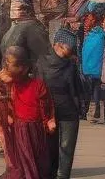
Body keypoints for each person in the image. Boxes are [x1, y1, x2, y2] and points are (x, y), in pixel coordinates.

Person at [0, 45, 55, 179]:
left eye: (10, 63)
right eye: (6, 62)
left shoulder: (37, 85)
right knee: (25, 162)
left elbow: (45, 107)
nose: (6, 67)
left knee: (33, 161)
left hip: (35, 129)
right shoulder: (7, 83)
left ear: (24, 67)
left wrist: (48, 123)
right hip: (19, 128)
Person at [38, 29, 83, 179]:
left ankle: (54, 174)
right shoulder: (71, 66)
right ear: (58, 44)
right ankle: (60, 175)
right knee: (64, 148)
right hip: (63, 111)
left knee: (55, 147)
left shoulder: (42, 62)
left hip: (55, 111)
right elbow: (77, 90)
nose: (70, 50)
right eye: (68, 47)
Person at [1, 0, 50, 70]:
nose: (12, 11)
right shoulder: (24, 25)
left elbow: (43, 55)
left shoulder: (27, 26)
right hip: (17, 72)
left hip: (18, 72)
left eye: (15, 9)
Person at [80, 11, 105, 124]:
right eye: (87, 19)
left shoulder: (101, 33)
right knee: (90, 91)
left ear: (95, 20)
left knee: (95, 91)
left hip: (96, 68)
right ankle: (88, 112)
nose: (88, 21)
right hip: (87, 68)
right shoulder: (88, 33)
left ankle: (94, 113)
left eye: (91, 19)